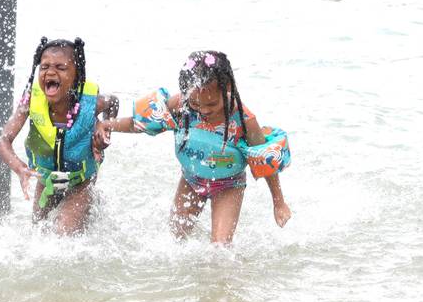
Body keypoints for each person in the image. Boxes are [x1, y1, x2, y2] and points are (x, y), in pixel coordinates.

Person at [107, 50, 290, 245]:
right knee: (175, 240)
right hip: (190, 180)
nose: (203, 110)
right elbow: (142, 123)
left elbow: (265, 161)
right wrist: (107, 125)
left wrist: (278, 202)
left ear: (227, 88)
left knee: (220, 248)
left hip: (229, 185)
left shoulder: (245, 120)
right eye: (195, 103)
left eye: (211, 104)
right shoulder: (181, 103)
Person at [0, 37, 119, 235]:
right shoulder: (31, 100)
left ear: (76, 75)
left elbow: (113, 102)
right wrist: (20, 169)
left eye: (61, 68)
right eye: (44, 67)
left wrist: (104, 130)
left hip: (81, 181)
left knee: (63, 234)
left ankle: (87, 206)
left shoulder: (90, 103)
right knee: (38, 236)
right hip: (47, 180)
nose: (50, 72)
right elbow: (2, 141)